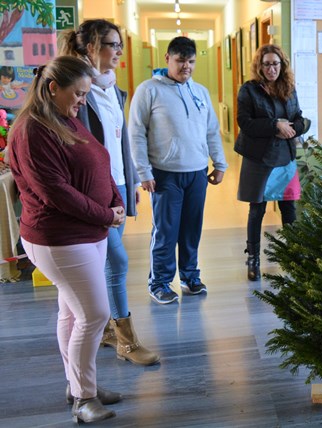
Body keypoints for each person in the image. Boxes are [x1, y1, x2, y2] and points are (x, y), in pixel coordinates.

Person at [8, 56, 123, 423]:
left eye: (86, 94)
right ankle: (83, 399)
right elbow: (55, 192)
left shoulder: (66, 117)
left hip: (86, 233)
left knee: (73, 313)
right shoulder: (31, 130)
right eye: (78, 93)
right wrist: (107, 214)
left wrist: (116, 200)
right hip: (58, 238)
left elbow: (99, 161)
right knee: (94, 314)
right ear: (54, 87)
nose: (83, 102)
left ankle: (78, 384)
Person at [57, 20, 159, 365]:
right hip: (94, 188)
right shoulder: (77, 92)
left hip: (116, 185)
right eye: (112, 45)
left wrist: (129, 185)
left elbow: (120, 142)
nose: (119, 51)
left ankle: (104, 330)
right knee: (117, 261)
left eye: (120, 45)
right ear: (90, 48)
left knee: (107, 262)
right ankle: (126, 341)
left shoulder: (112, 89)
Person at [129, 36, 227, 304]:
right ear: (167, 59)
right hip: (164, 173)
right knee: (165, 230)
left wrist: (220, 164)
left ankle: (189, 276)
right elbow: (136, 133)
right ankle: (159, 281)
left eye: (191, 61)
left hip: (197, 173)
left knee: (191, 229)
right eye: (181, 60)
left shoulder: (201, 92)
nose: (187, 66)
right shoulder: (149, 90)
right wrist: (143, 172)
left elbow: (211, 132)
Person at [234, 44, 308, 281]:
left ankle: (294, 256)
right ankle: (253, 259)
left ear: (282, 65)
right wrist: (275, 126)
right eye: (266, 64)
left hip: (285, 157)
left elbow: (299, 117)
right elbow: (244, 122)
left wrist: (293, 128)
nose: (271, 68)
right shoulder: (249, 90)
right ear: (259, 66)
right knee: (257, 210)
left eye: (275, 63)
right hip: (260, 158)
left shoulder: (289, 88)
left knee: (289, 208)